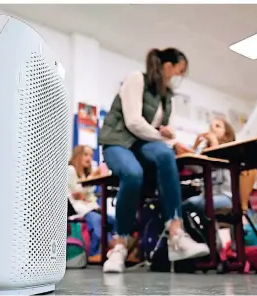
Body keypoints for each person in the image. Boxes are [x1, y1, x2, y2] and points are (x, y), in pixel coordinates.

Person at [98, 47, 209, 273]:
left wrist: (167, 136)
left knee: (166, 154)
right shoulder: (136, 79)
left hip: (142, 144)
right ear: (167, 66)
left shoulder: (168, 97)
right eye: (180, 71)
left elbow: (168, 131)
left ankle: (176, 234)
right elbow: (133, 122)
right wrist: (162, 135)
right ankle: (119, 246)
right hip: (118, 141)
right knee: (133, 174)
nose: (179, 77)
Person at [67, 145, 116, 258]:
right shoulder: (70, 170)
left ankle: (113, 247)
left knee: (111, 219)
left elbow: (84, 194)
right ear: (78, 155)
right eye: (85, 154)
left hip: (89, 207)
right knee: (98, 220)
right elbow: (78, 191)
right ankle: (101, 251)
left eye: (91, 155)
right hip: (77, 208)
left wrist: (84, 192)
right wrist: (92, 177)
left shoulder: (85, 173)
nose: (89, 158)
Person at [184, 118, 236, 212]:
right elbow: (192, 166)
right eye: (211, 126)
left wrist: (214, 142)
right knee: (185, 205)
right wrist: (195, 146)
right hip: (206, 196)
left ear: (226, 135)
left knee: (199, 204)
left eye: (217, 126)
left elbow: (217, 158)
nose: (212, 128)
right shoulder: (205, 153)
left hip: (226, 196)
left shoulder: (230, 151)